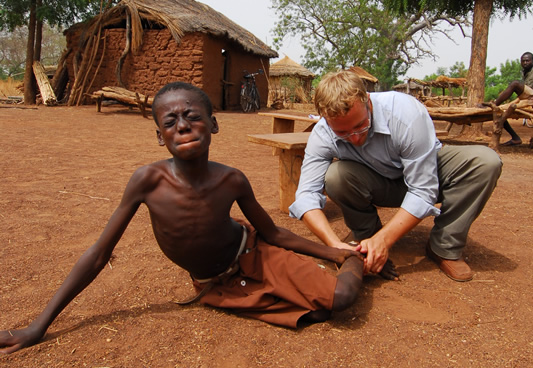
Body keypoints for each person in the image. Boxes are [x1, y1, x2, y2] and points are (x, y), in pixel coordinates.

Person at [0, 82, 392, 355]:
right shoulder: (147, 181)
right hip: (211, 282)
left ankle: (354, 259)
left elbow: (272, 233)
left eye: (192, 116)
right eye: (169, 122)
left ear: (213, 124)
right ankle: (262, 289)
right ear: (159, 136)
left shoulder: (231, 179)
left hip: (253, 253)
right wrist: (41, 324)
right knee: (316, 313)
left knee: (339, 299)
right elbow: (99, 254)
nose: (182, 125)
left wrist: (337, 251)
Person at [289, 70, 502, 283]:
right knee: (336, 175)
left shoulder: (404, 113)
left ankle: (444, 247)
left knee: (485, 163)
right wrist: (333, 245)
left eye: (360, 126)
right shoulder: (323, 133)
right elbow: (306, 195)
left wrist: (384, 240)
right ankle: (365, 237)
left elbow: (422, 189)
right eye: (342, 133)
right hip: (379, 182)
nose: (354, 139)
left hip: (427, 172)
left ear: (368, 101)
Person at [492, 51, 533, 146]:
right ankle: (515, 138)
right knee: (500, 112)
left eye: (527, 61)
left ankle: (495, 104)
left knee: (515, 84)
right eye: (523, 61)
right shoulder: (524, 72)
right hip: (527, 98)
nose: (525, 63)